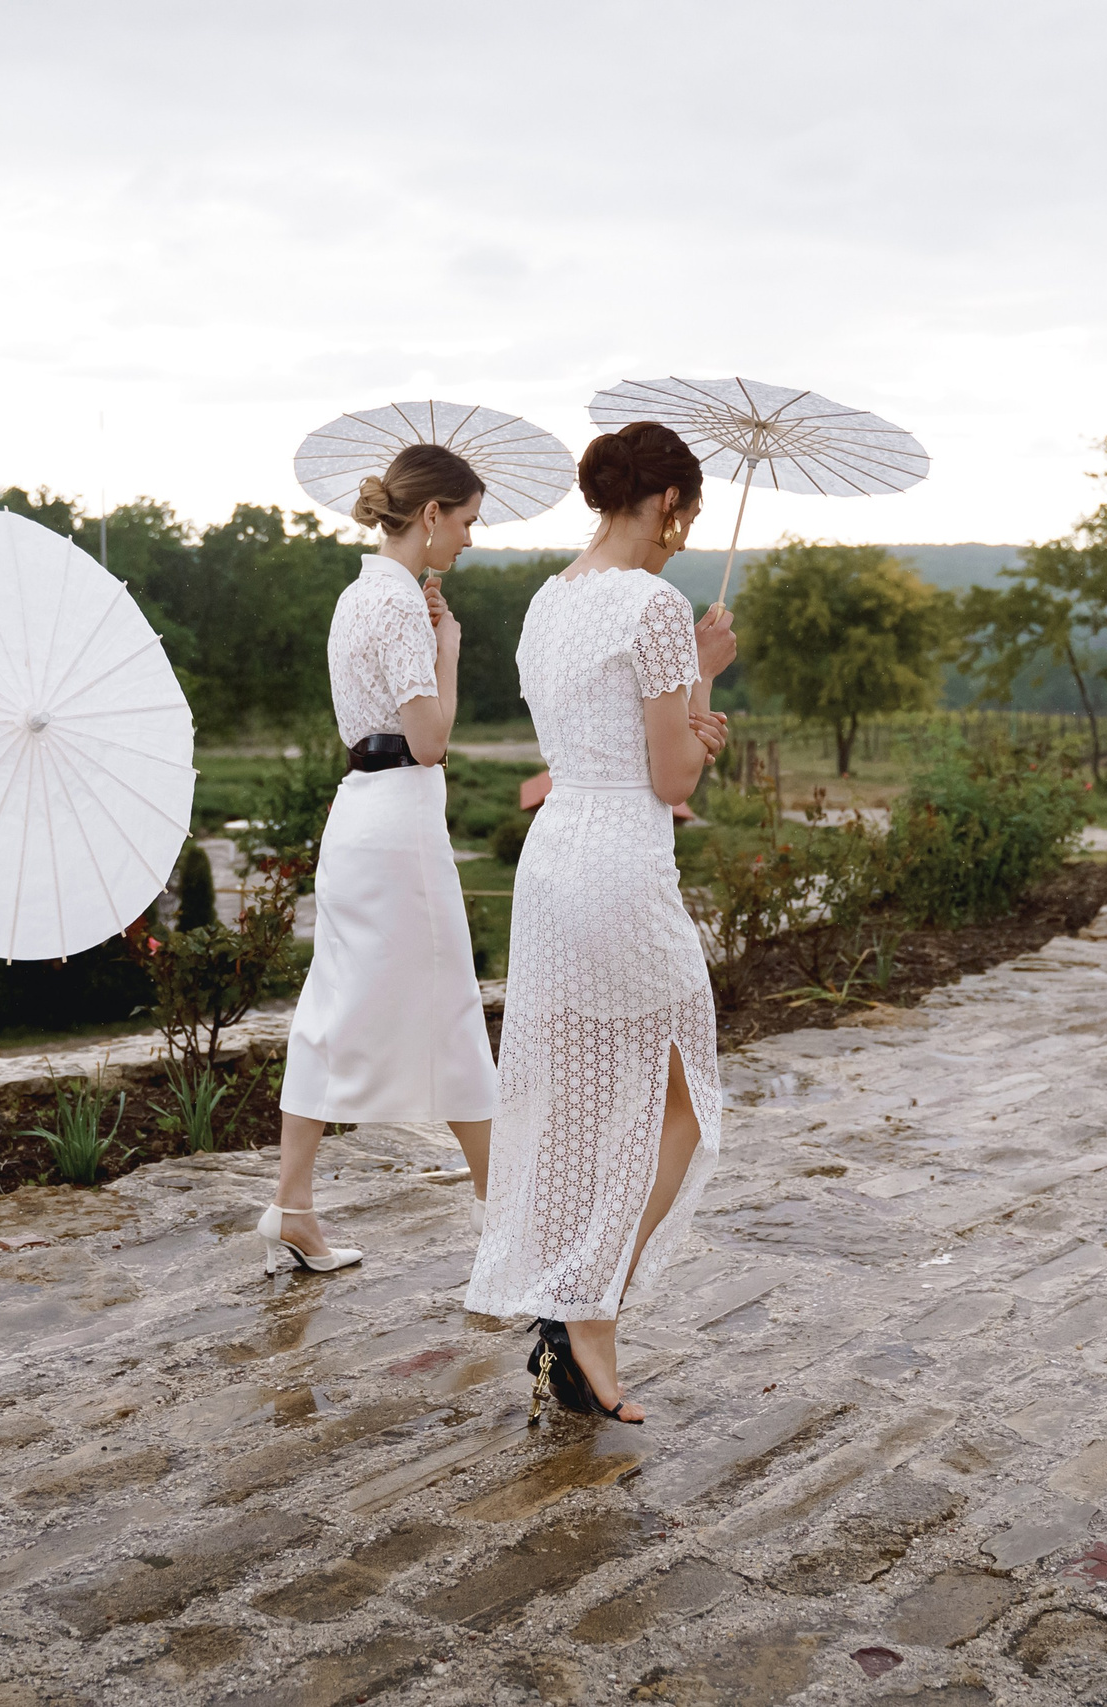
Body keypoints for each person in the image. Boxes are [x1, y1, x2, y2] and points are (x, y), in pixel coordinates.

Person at [464, 422, 733, 1425]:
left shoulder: (548, 600)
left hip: (552, 868)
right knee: (683, 1097)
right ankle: (591, 1307)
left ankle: (567, 1307)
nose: (684, 537)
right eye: (688, 516)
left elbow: (607, 743)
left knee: (578, 1103)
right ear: (666, 502)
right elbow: (671, 777)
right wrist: (706, 685)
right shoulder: (656, 605)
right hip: (620, 865)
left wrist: (688, 688)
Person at [262, 444, 501, 1273]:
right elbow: (432, 741)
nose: (471, 537)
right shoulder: (399, 608)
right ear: (431, 516)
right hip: (399, 824)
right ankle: (501, 1209)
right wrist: (450, 648)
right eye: (466, 520)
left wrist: (433, 631)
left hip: (356, 816)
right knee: (452, 1010)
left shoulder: (358, 595)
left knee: (328, 1012)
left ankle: (294, 1207)